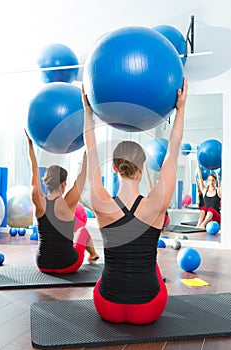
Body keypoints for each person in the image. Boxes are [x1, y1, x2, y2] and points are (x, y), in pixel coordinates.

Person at [81, 77, 188, 325]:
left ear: (115, 169)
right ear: (142, 168)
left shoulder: (100, 201)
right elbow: (173, 150)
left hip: (107, 306)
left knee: (106, 275)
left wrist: (88, 112)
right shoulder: (155, 203)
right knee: (155, 270)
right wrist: (181, 108)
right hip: (148, 309)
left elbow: (91, 150)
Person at [24, 130, 99, 274]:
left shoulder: (38, 201)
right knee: (82, 230)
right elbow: (83, 173)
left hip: (43, 264)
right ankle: (93, 254)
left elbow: (33, 170)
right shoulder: (69, 203)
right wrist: (87, 147)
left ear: (45, 184)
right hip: (67, 265)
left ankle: (93, 254)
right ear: (64, 184)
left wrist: (30, 145)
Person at [196, 163, 222, 229]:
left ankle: (203, 224)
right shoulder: (205, 191)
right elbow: (200, 178)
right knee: (203, 208)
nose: (211, 182)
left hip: (216, 218)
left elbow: (221, 183)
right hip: (207, 217)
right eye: (209, 180)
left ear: (215, 181)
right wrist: (198, 166)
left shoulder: (218, 191)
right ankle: (199, 224)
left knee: (210, 209)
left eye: (213, 180)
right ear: (207, 181)